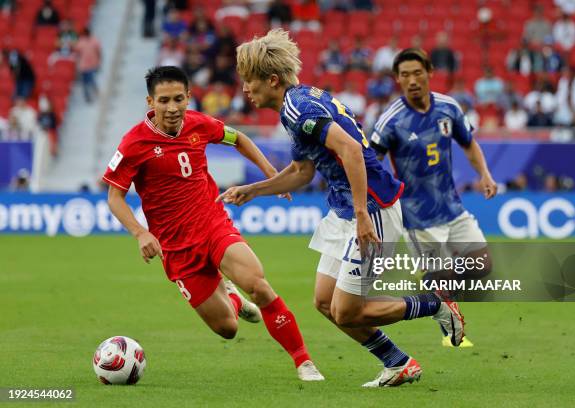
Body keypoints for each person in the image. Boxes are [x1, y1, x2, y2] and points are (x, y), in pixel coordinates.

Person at [219, 29, 465, 387]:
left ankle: (435, 303)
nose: (245, 89)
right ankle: (398, 363)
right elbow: (302, 171)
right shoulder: (299, 105)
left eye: (249, 81)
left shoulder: (299, 108)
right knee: (324, 302)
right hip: (345, 210)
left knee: (346, 310)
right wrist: (255, 190)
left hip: (372, 208)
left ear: (271, 80)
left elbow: (350, 150)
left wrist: (364, 216)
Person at [102, 66, 324, 382]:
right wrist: (140, 233)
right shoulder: (133, 144)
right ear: (151, 102)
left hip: (212, 224)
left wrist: (272, 175)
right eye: (164, 100)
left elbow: (239, 139)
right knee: (228, 328)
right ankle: (231, 297)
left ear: (189, 97)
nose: (172, 108)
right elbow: (115, 197)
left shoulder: (199, 124)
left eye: (179, 99)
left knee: (258, 284)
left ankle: (304, 362)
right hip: (176, 249)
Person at [369, 48, 497, 347]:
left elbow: (468, 143)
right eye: (404, 75)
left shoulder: (449, 107)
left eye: (417, 73)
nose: (412, 80)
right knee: (440, 275)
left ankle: (432, 295)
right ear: (397, 80)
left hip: (452, 207)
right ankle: (448, 324)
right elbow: (370, 162)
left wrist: (485, 175)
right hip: (417, 216)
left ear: (429, 73)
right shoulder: (391, 120)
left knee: (483, 264)